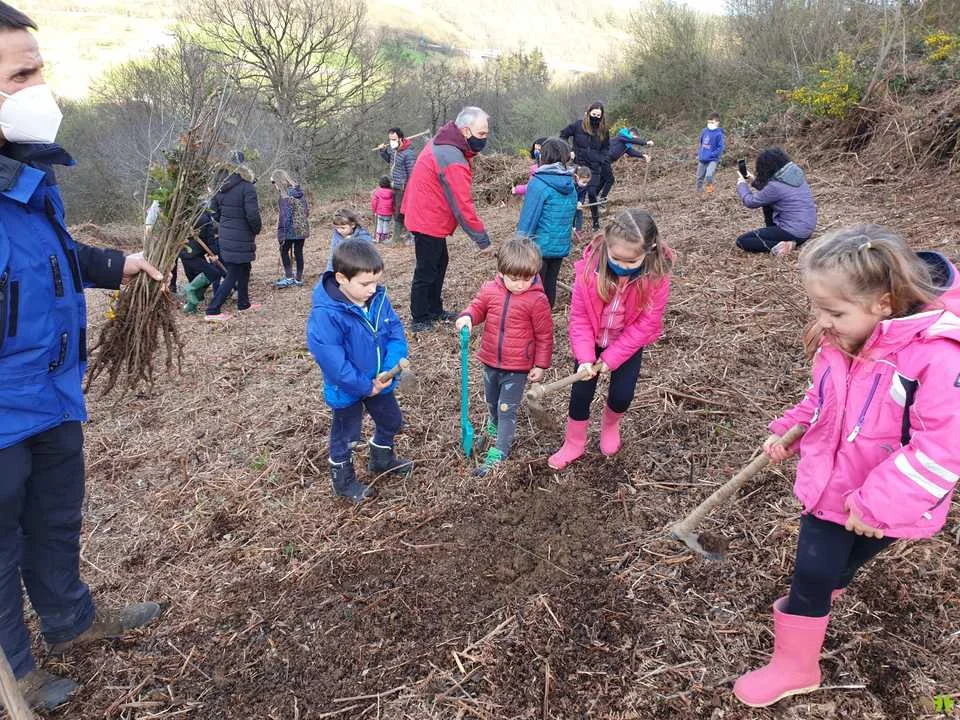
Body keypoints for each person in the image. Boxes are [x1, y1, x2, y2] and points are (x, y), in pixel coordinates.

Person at [0, 3, 164, 708]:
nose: (41, 88)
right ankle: (15, 670)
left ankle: (70, 620)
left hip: (52, 392)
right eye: (20, 76)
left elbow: (50, 255)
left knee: (56, 518)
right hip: (3, 411)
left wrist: (112, 264)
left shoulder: (28, 175)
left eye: (38, 69)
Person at [733, 225, 960, 708]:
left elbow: (942, 448)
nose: (823, 322)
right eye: (818, 308)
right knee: (813, 572)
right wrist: (792, 427)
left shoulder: (938, 358)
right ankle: (797, 664)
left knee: (844, 562)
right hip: (831, 488)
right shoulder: (844, 338)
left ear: (883, 304)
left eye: (834, 312)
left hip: (888, 499)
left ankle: (823, 596)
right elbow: (823, 398)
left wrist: (877, 504)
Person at [548, 209, 673, 470]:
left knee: (622, 396)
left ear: (649, 250)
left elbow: (647, 324)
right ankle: (574, 442)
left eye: (631, 261)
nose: (622, 266)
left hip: (627, 343)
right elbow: (580, 318)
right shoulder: (588, 271)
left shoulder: (656, 277)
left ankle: (610, 426)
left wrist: (613, 357)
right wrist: (585, 358)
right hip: (591, 340)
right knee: (580, 394)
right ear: (606, 244)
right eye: (616, 258)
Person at [306, 240, 412, 501]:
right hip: (348, 388)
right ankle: (343, 481)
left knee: (391, 421)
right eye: (365, 284)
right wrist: (365, 386)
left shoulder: (377, 300)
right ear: (341, 278)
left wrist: (388, 368)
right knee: (346, 437)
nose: (372, 289)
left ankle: (381, 459)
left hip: (380, 380)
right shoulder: (326, 315)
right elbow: (334, 363)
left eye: (376, 282)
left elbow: (395, 332)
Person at [456, 237, 553, 476]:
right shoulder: (490, 290)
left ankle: (500, 449)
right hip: (491, 360)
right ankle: (494, 424)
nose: (520, 285)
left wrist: (541, 364)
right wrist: (467, 316)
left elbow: (544, 335)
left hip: (517, 367)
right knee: (491, 401)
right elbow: (478, 307)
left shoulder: (537, 300)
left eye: (526, 279)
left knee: (506, 407)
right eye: (514, 278)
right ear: (501, 272)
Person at [403, 106, 494, 333]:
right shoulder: (452, 157)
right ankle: (420, 317)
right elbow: (463, 205)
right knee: (426, 268)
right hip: (426, 216)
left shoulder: (447, 140)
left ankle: (434, 309)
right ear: (465, 131)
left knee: (439, 262)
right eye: (481, 133)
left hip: (428, 212)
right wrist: (483, 241)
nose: (485, 138)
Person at [515, 137, 578, 307]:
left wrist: (517, 246)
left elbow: (529, 218)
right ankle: (546, 316)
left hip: (539, 248)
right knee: (550, 283)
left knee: (535, 287)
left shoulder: (539, 182)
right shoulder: (570, 183)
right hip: (560, 245)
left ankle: (535, 317)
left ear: (543, 156)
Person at [205, 157, 262, 320]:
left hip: (226, 235)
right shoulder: (247, 187)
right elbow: (252, 215)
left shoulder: (218, 188)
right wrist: (256, 229)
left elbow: (213, 213)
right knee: (233, 273)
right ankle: (212, 310)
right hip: (241, 235)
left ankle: (243, 304)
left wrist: (227, 223)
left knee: (245, 267)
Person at [735, 148, 817, 256]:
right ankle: (782, 238)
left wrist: (741, 185)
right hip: (806, 231)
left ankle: (783, 245)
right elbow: (770, 193)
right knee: (767, 203)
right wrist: (752, 179)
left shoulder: (775, 186)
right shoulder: (794, 176)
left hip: (793, 232)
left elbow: (750, 202)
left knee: (742, 241)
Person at [560, 102, 610, 231]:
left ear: (602, 116)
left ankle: (595, 221)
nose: (595, 117)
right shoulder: (578, 125)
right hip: (579, 165)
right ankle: (572, 224)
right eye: (594, 114)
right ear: (588, 113)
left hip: (594, 167)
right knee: (575, 194)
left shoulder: (604, 130)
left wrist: (600, 159)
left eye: (598, 115)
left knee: (592, 193)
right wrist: (569, 150)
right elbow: (563, 135)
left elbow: (606, 148)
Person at [181, 204, 224, 314]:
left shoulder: (187, 215)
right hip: (191, 254)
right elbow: (210, 238)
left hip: (186, 253)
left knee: (204, 275)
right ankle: (189, 290)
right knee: (214, 273)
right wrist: (214, 253)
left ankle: (191, 306)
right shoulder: (205, 218)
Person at [272, 169, 310, 288]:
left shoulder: (284, 197)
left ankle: (289, 278)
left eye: (273, 182)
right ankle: (298, 279)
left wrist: (281, 235)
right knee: (298, 252)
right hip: (301, 229)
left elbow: (284, 217)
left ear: (279, 182)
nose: (274, 185)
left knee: (284, 251)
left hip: (289, 230)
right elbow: (306, 211)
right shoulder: (299, 193)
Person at [377, 127, 415, 244]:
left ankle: (405, 237)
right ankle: (402, 236)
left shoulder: (408, 153)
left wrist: (410, 189)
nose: (391, 142)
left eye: (394, 139)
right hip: (394, 186)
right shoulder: (394, 150)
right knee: (396, 211)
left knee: (402, 212)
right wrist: (383, 151)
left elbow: (412, 173)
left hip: (403, 188)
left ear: (401, 138)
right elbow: (391, 161)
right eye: (390, 139)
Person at [601, 126, 653, 199]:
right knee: (610, 179)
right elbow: (631, 140)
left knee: (603, 179)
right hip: (603, 159)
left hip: (606, 161)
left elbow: (631, 152)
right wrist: (646, 142)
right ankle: (602, 198)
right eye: (634, 137)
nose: (633, 140)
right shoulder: (621, 136)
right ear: (631, 133)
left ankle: (594, 197)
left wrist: (643, 155)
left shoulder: (626, 144)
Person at [325, 208, 373, 272]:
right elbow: (333, 255)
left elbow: (367, 255)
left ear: (352, 225)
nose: (339, 231)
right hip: (343, 268)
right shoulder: (337, 236)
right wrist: (329, 272)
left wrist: (349, 242)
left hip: (361, 268)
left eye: (343, 228)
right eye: (337, 228)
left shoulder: (363, 236)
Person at [695, 112, 724, 193]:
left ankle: (709, 189)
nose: (710, 123)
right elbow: (701, 142)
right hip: (703, 158)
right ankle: (699, 191)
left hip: (713, 159)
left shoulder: (719, 134)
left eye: (712, 122)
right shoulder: (704, 131)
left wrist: (713, 154)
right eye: (709, 121)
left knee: (709, 175)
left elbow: (720, 147)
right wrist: (701, 153)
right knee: (699, 176)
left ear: (717, 122)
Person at [371, 175, 395, 243]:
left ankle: (378, 238)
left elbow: (374, 202)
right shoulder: (392, 192)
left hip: (380, 212)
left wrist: (374, 210)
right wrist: (393, 211)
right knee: (386, 225)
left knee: (379, 224)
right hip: (389, 213)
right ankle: (384, 238)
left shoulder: (377, 192)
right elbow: (394, 203)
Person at [572, 165, 592, 241]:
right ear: (577, 178)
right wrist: (574, 203)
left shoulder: (584, 186)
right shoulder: (571, 185)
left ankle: (578, 231)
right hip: (571, 203)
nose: (585, 184)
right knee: (572, 215)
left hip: (578, 204)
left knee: (579, 214)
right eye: (584, 182)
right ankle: (572, 228)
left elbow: (583, 195)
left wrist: (580, 202)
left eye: (587, 182)